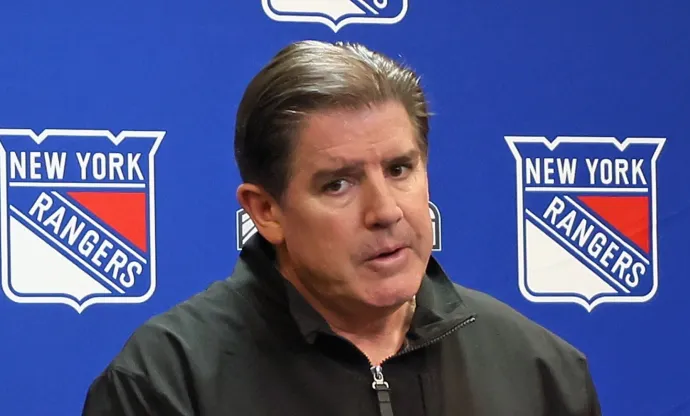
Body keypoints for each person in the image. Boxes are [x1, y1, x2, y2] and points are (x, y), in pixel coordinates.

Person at [82, 40, 602, 415]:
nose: (385, 211)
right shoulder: (166, 381)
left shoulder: (540, 370)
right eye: (338, 184)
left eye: (400, 170)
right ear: (267, 211)